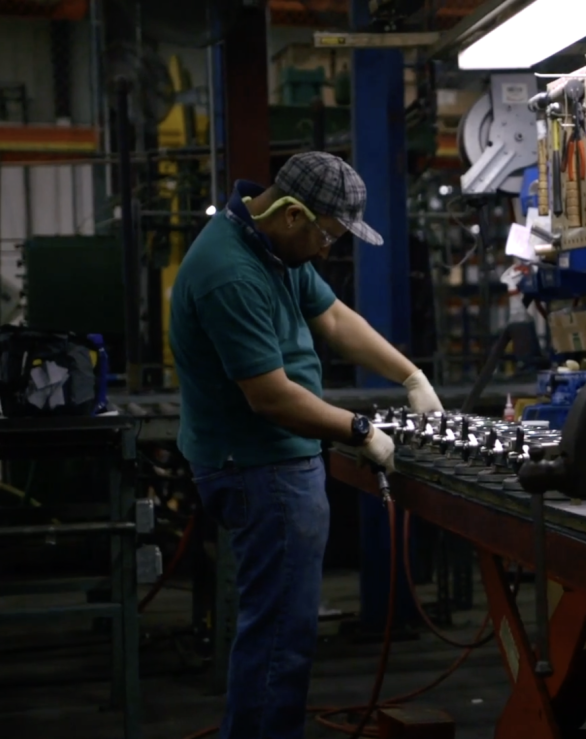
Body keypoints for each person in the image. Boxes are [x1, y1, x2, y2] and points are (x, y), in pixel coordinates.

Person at [169, 151, 444, 739]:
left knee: (280, 634)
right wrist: (361, 431)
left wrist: (410, 376)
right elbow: (270, 398)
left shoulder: (270, 243)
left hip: (275, 462)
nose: (327, 251)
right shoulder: (230, 271)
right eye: (327, 237)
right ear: (294, 215)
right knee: (278, 642)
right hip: (259, 467)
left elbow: (336, 320)